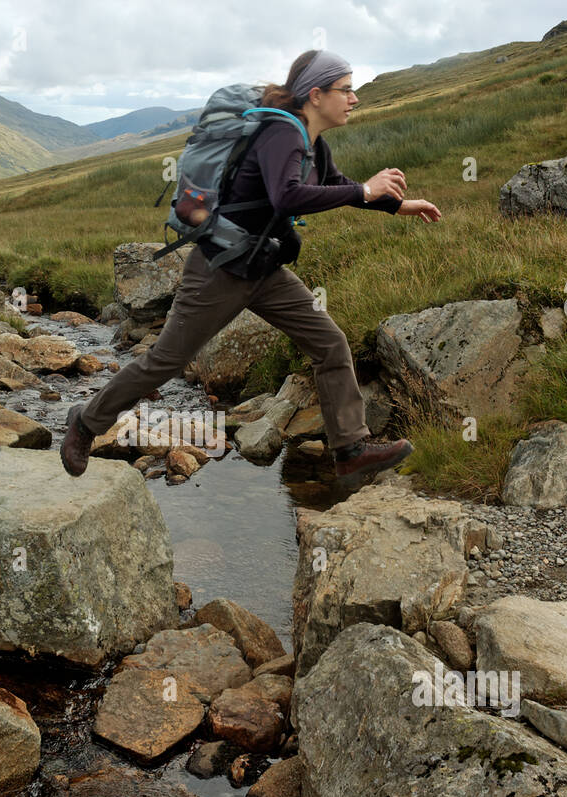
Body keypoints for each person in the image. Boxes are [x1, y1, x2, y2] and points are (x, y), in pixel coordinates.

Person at [61, 49, 441, 480]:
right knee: (165, 361)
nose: (354, 99)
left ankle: (349, 452)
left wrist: (397, 205)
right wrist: (367, 192)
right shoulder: (282, 135)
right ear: (316, 95)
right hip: (219, 270)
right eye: (346, 90)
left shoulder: (314, 142)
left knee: (329, 342)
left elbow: (336, 186)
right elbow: (288, 196)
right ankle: (86, 422)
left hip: (264, 269)